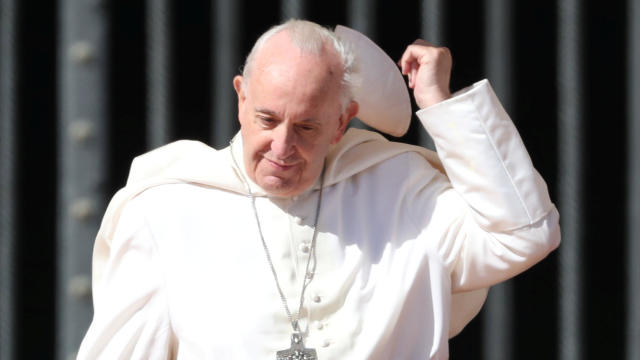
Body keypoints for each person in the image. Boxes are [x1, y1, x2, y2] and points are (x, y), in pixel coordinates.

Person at [77, 19, 560, 359]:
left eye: (307, 127)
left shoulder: (403, 192)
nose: (281, 146)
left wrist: (439, 102)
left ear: (341, 122)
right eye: (267, 119)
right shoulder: (166, 210)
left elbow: (526, 233)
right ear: (241, 96)